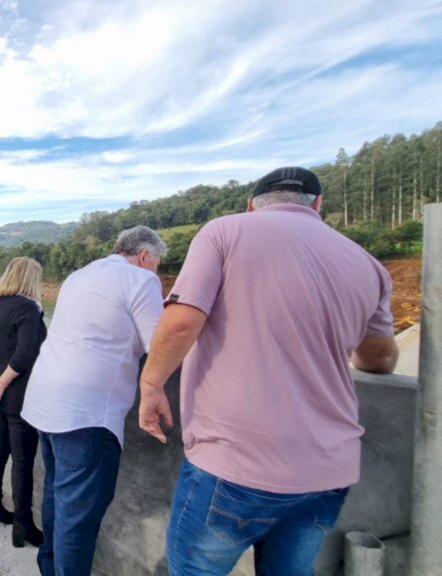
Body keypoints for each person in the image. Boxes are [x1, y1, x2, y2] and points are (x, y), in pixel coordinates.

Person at [137, 167, 399, 575]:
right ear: (318, 204)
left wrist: (151, 383)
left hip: (236, 460)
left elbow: (180, 322)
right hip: (328, 469)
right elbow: (379, 358)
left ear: (250, 205)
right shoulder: (369, 265)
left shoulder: (224, 232)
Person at [21, 225, 166, 576]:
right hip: (86, 413)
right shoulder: (140, 279)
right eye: (158, 263)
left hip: (45, 399)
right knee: (79, 517)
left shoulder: (79, 275)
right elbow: (161, 346)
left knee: (58, 497)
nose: (157, 271)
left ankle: (49, 569)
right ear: (145, 255)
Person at [0, 257, 47, 548]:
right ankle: (22, 525)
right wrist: (4, 382)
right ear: (31, 280)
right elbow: (23, 355)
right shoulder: (29, 308)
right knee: (22, 461)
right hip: (19, 394)